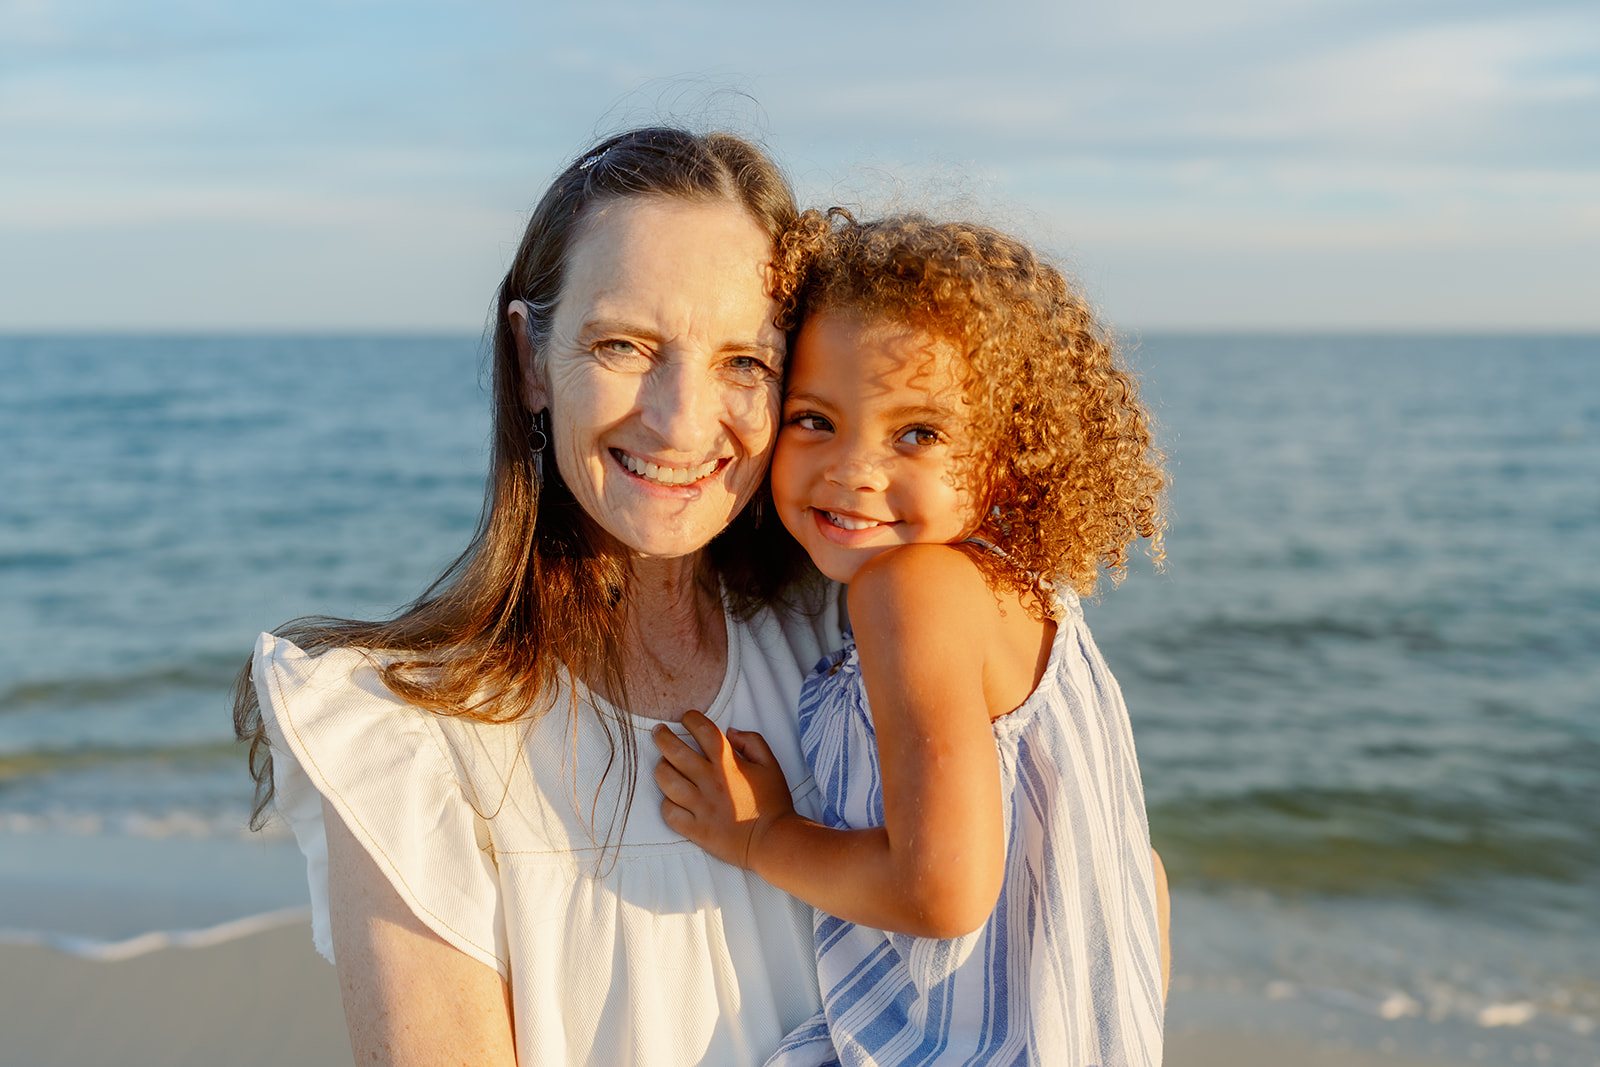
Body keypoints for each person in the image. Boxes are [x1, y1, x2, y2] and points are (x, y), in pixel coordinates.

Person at [232, 127, 848, 1066]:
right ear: (530, 359)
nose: (681, 420)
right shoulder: (413, 743)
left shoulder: (849, 653)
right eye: (624, 344)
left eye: (744, 362)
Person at [653, 210, 1170, 1065]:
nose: (854, 467)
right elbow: (1144, 878)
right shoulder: (1035, 604)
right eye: (814, 418)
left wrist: (759, 835)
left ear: (1007, 459)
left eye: (918, 434)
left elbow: (942, 893)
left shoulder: (910, 592)